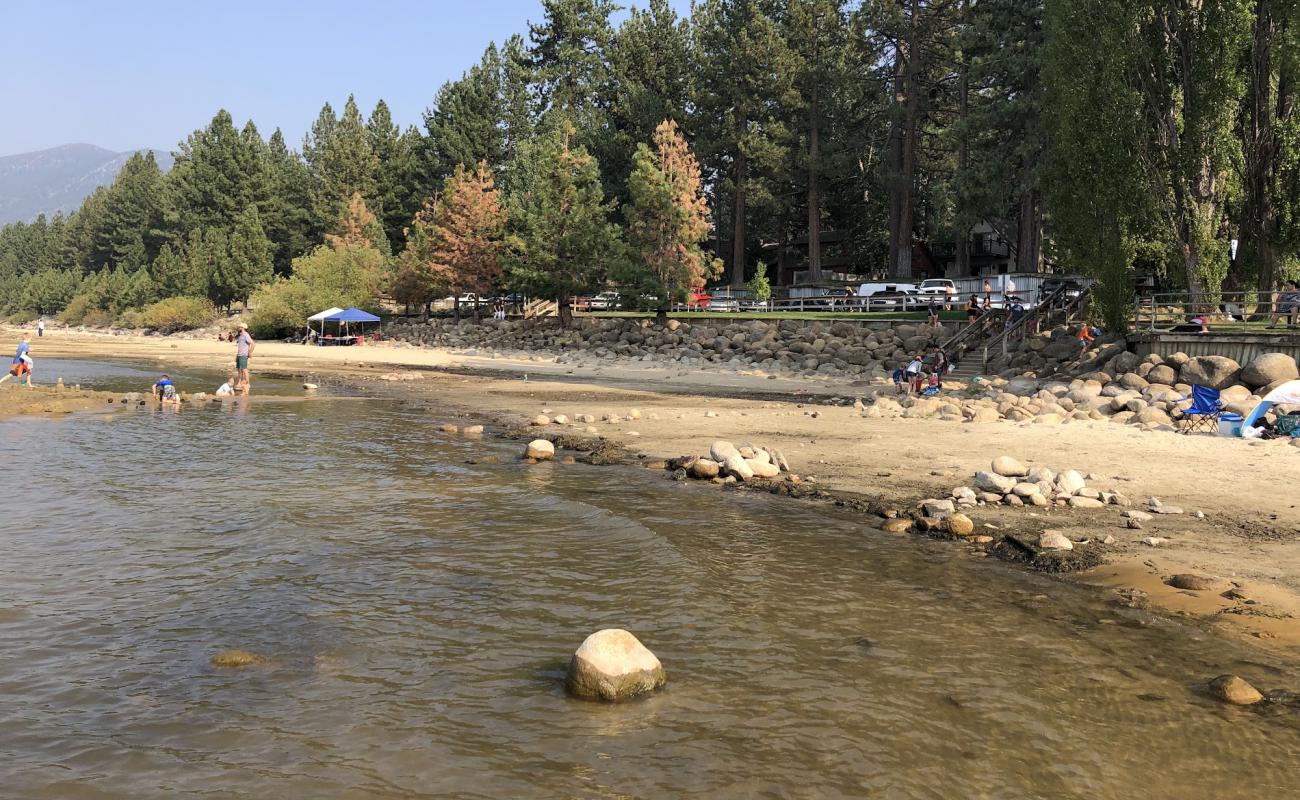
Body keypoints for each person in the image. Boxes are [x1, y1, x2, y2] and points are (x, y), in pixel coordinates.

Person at [234, 322, 255, 395]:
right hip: (239, 355)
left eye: (239, 327)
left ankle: (247, 383)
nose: (238, 328)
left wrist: (250, 352)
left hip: (243, 355)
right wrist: (237, 356)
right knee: (239, 369)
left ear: (243, 328)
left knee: (244, 369)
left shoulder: (246, 335)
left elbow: (253, 343)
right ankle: (239, 382)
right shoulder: (240, 335)